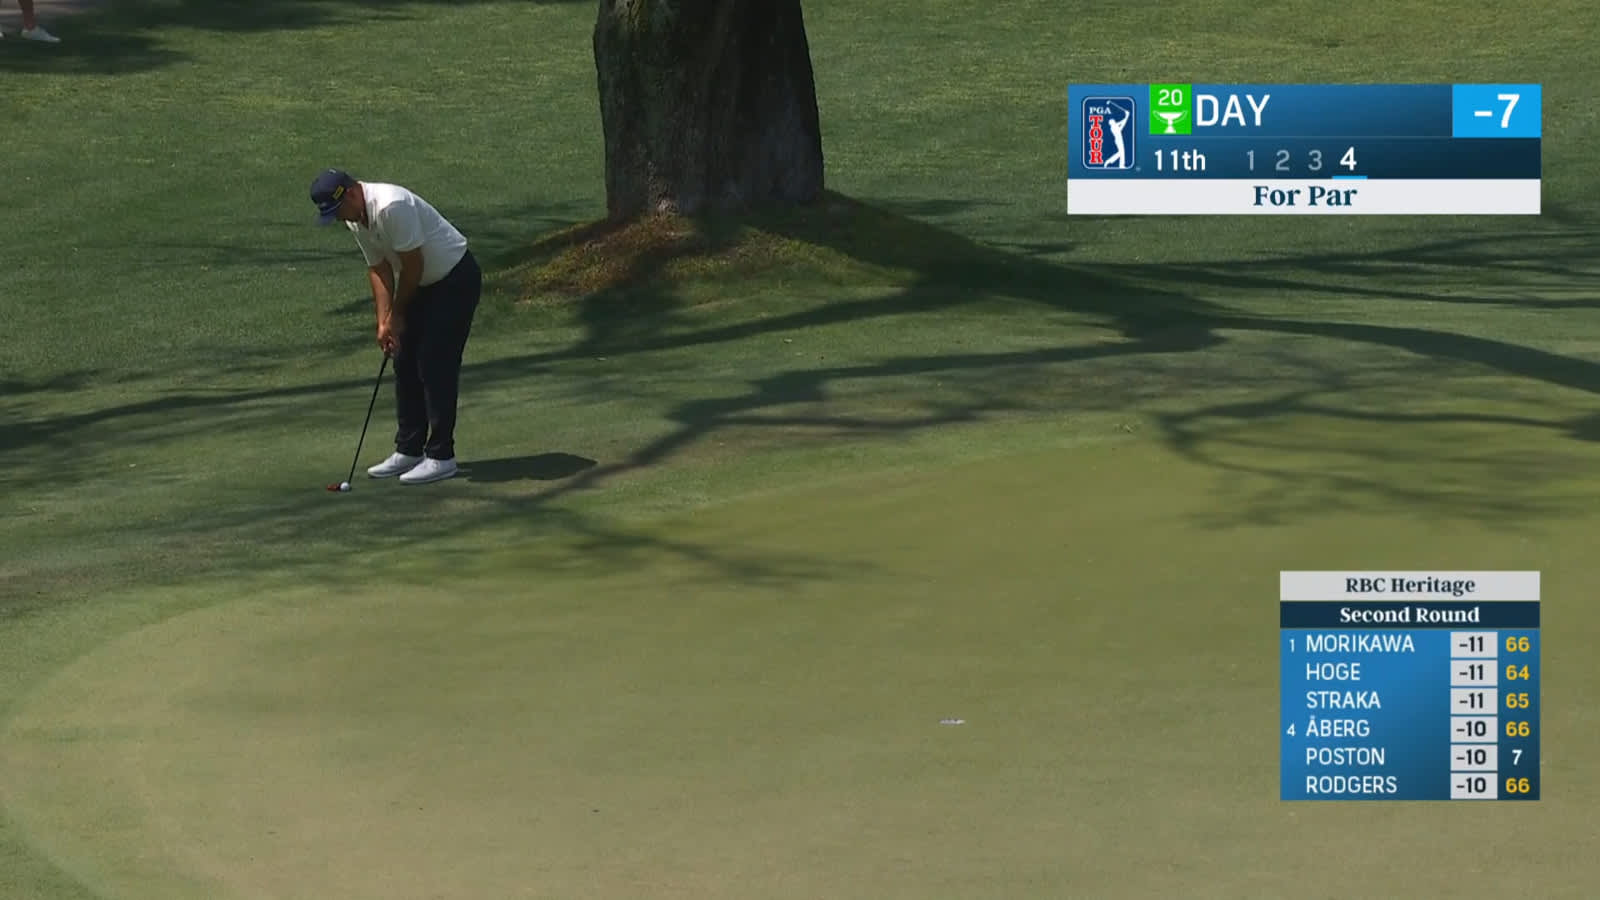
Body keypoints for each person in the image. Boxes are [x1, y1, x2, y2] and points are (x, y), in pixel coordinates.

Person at [310, 168, 481, 485]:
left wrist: (398, 314)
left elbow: (413, 265)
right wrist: (384, 321)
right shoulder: (354, 217)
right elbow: (379, 269)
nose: (337, 219)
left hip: (454, 280)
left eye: (337, 211)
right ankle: (410, 449)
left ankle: (442, 456)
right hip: (421, 284)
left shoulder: (391, 206)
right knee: (403, 360)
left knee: (434, 361)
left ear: (350, 193)